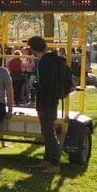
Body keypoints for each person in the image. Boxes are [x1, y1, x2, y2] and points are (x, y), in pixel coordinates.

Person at [28, 35, 68, 173]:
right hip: (51, 99)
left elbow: (47, 83)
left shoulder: (45, 61)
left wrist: (35, 85)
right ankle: (47, 160)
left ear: (33, 48)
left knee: (48, 132)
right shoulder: (52, 58)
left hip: (46, 100)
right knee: (47, 131)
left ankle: (55, 163)